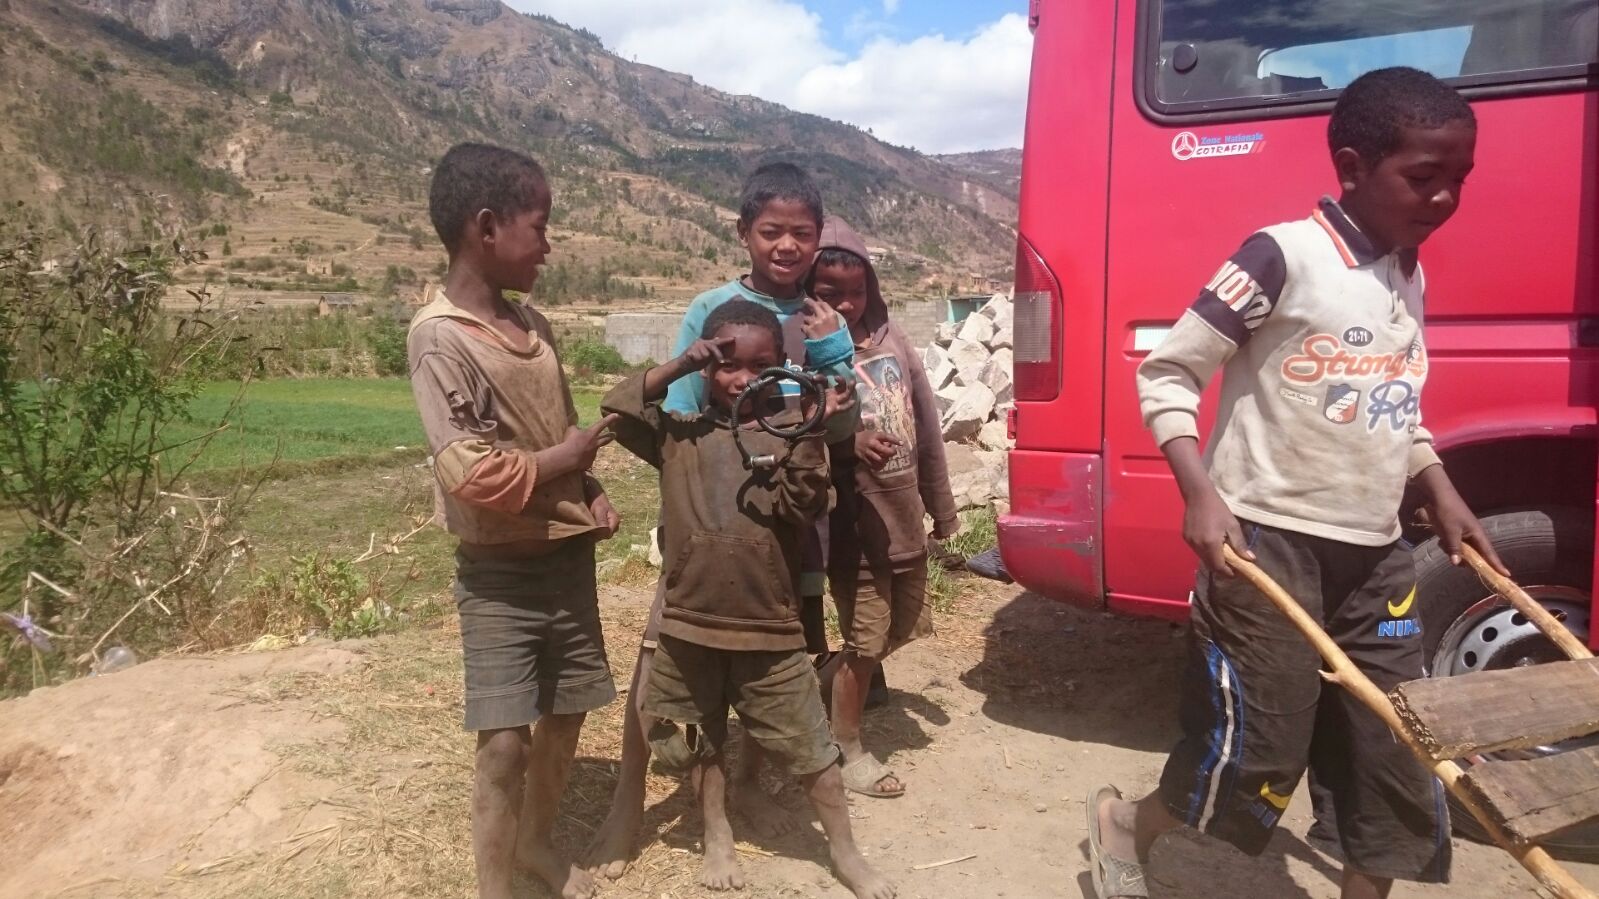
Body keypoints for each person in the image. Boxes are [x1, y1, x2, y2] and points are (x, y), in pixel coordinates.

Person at [1087, 67, 1510, 899]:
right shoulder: (1280, 256)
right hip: (1263, 544)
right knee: (1257, 752)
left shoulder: (1407, 274)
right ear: (1352, 167)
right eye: (1423, 177)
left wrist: (1438, 483)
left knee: (1390, 747)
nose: (1444, 198)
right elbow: (1167, 376)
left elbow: (1396, 404)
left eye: (1458, 179)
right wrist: (1200, 491)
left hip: (1377, 556)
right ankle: (1124, 824)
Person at [586, 161, 855, 878]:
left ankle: (746, 790)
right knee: (663, 674)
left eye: (802, 232)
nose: (788, 245)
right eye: (771, 231)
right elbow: (669, 414)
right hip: (701, 527)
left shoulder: (820, 316)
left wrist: (831, 359)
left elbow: (839, 416)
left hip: (781, 526)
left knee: (779, 668)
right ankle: (627, 806)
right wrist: (693, 375)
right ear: (743, 233)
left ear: (818, 236)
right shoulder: (710, 308)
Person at [600, 299, 895, 899]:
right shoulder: (677, 436)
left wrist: (812, 429)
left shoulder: (787, 439)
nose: (743, 380)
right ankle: (716, 831)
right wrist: (682, 361)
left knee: (814, 750)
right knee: (703, 741)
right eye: (728, 365)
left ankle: (845, 852)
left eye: (762, 367)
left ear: (781, 371)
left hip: (770, 629)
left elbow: (803, 505)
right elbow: (618, 406)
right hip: (689, 625)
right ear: (707, 371)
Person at [407, 142, 621, 899]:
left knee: (566, 712)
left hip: (564, 556)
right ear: (487, 227)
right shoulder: (439, 338)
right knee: (503, 742)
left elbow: (554, 423)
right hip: (498, 570)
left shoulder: (532, 324)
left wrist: (586, 487)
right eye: (541, 226)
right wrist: (566, 457)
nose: (549, 245)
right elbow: (469, 473)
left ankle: (534, 842)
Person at [809, 216, 959, 798]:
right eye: (828, 295)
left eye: (856, 291)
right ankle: (848, 748)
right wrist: (846, 445)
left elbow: (928, 432)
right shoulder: (808, 356)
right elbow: (796, 430)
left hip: (904, 521)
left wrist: (943, 514)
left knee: (901, 626)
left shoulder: (897, 343)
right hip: (853, 526)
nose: (844, 305)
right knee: (867, 639)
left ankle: (828, 679)